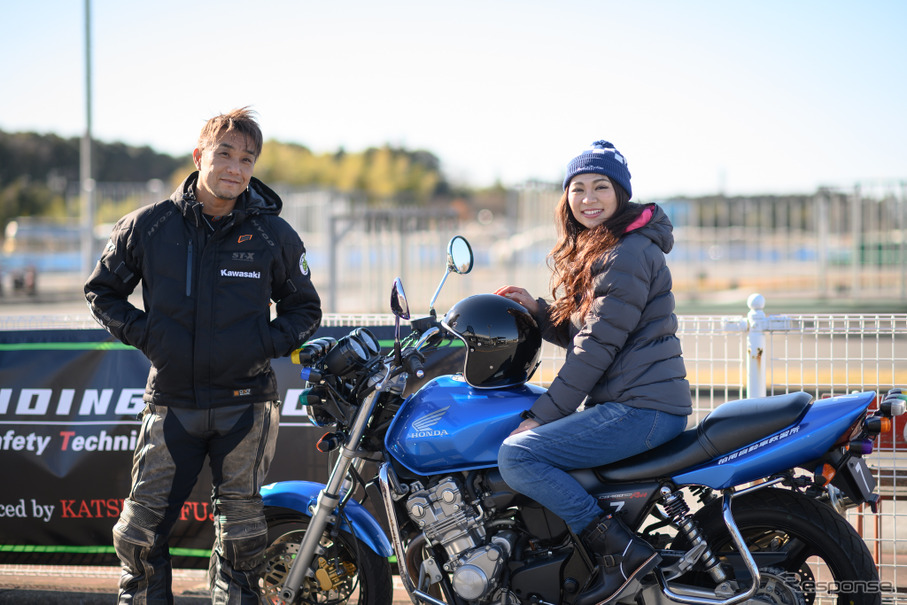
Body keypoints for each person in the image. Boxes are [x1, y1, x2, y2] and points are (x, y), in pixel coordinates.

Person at [84, 107, 322, 604]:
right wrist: (149, 336)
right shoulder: (148, 226)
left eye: (247, 158)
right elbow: (101, 291)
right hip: (172, 402)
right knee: (138, 533)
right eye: (225, 154)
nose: (235, 167)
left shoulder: (272, 235)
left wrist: (263, 345)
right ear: (200, 156)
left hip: (246, 405)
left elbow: (305, 309)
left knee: (242, 539)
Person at [495, 140, 692, 605]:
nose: (588, 199)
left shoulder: (626, 253)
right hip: (638, 404)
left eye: (601, 187)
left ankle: (619, 552)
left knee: (518, 456)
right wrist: (538, 311)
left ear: (621, 194)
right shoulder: (611, 248)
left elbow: (596, 349)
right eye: (578, 188)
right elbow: (595, 331)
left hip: (640, 410)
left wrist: (543, 416)